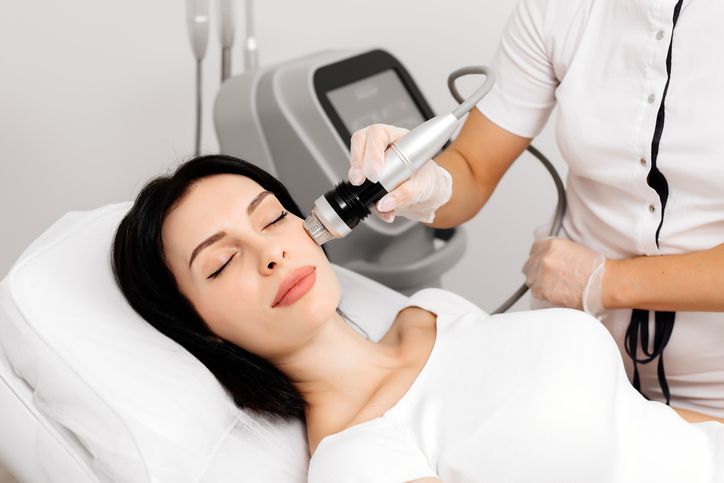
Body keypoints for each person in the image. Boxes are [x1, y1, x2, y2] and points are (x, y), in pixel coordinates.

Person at [112, 155, 723, 482]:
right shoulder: (359, 462)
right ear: (199, 327)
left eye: (271, 218)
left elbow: (645, 424)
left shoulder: (430, 311)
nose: (270, 253)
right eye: (222, 263)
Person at [348, 0, 724, 415]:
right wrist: (428, 183)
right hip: (570, 371)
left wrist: (603, 283)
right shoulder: (559, 10)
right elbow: (472, 166)